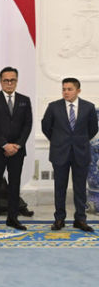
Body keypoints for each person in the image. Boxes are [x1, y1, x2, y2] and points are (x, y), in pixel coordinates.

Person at [41, 77, 98, 232]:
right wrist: (58, 140)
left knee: (80, 188)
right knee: (60, 187)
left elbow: (93, 129)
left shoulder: (88, 107)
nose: (66, 92)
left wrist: (79, 141)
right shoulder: (53, 107)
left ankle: (80, 219)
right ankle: (59, 219)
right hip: (60, 153)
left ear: (78, 90)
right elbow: (46, 126)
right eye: (64, 89)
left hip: (81, 152)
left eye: (69, 89)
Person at [0, 67, 32, 231]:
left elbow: (28, 125)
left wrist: (17, 145)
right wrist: (5, 144)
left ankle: (13, 218)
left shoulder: (25, 100)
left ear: (17, 81)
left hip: (17, 151)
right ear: (0, 81)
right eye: (6, 80)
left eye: (13, 80)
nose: (9, 83)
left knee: (14, 184)